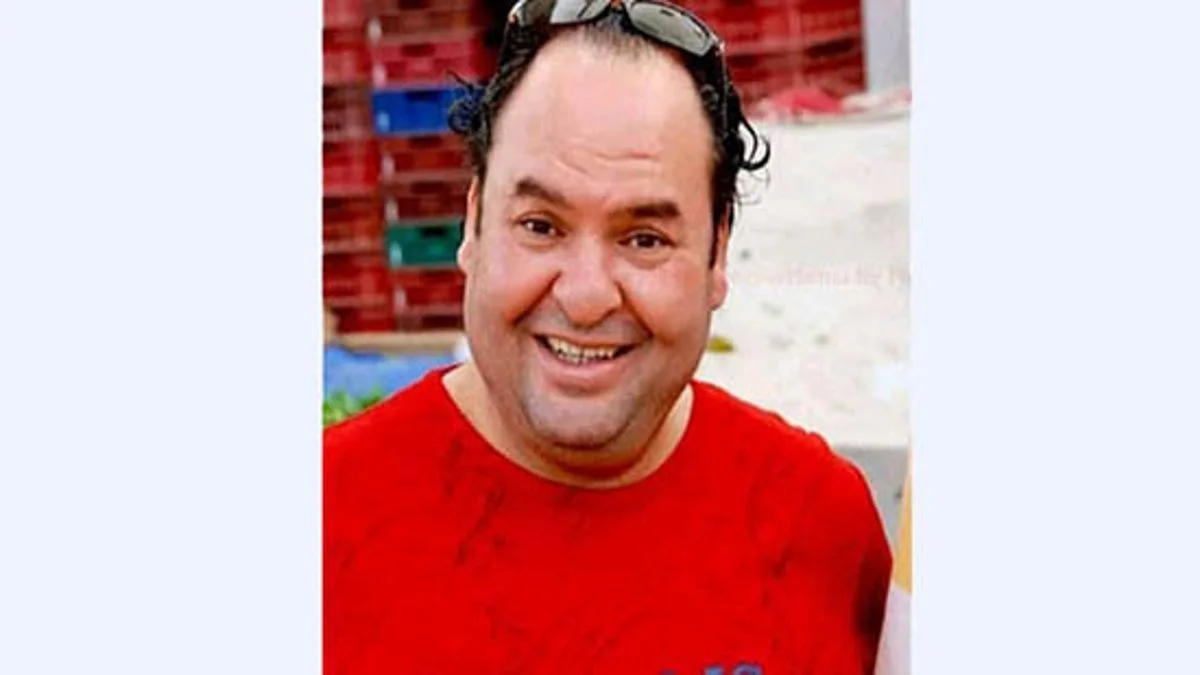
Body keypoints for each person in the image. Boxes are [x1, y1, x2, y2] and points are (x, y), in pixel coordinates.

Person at [324, 1, 893, 673]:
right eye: (540, 226)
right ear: (473, 224)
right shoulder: (327, 522)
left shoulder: (820, 523)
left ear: (717, 254)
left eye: (644, 239)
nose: (586, 296)